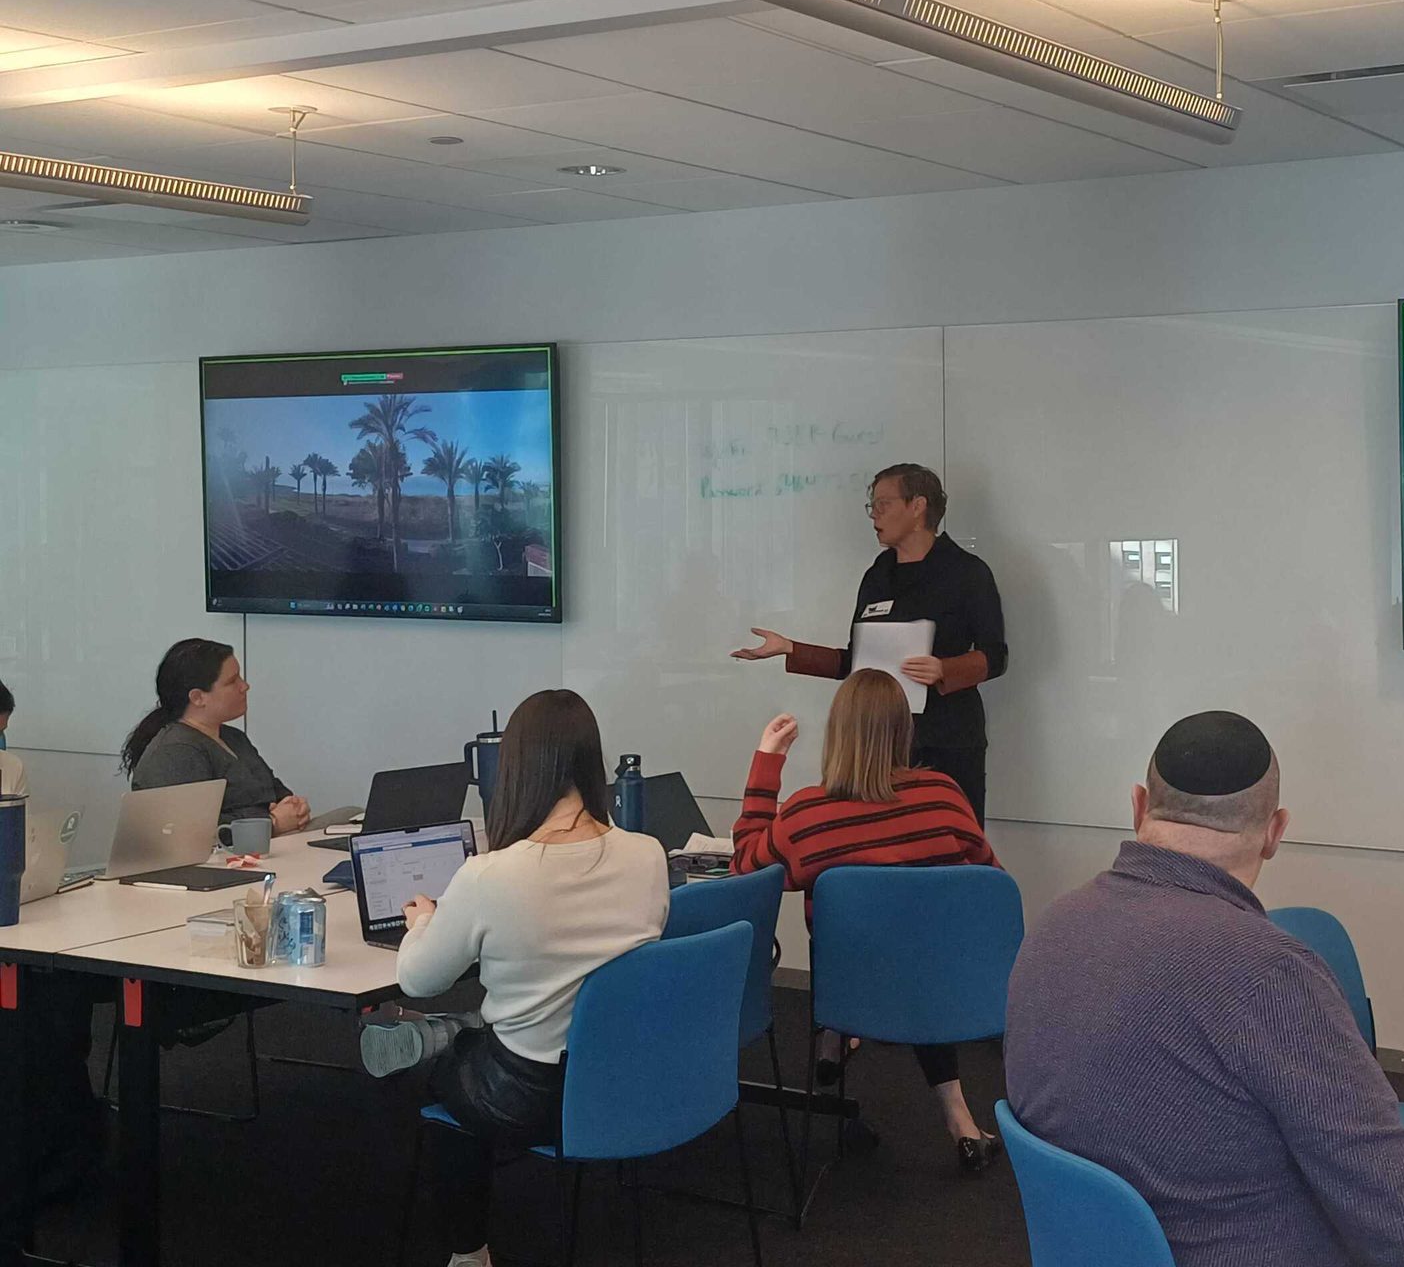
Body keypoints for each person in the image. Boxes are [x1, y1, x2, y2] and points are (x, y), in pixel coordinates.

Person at [1005, 711, 1404, 1267]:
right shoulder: (1266, 972)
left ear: (1136, 807)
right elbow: (1395, 1204)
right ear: (1275, 832)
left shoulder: (1053, 926)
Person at [361, 688, 669, 1267]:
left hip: (523, 1096)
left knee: (435, 1073)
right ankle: (452, 1033)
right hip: (620, 1077)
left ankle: (468, 1252)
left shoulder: (490, 875)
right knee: (481, 1036)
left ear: (515, 766)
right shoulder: (648, 854)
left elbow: (418, 977)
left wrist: (425, 922)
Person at [732, 669, 1002, 1173]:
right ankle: (961, 1123)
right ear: (906, 731)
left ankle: (836, 1033)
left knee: (863, 945)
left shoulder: (807, 815)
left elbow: (744, 862)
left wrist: (768, 761)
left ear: (837, 733)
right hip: (940, 986)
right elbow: (990, 881)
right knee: (911, 948)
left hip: (851, 986)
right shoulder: (942, 796)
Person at [732, 463, 1006, 825]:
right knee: (876, 843)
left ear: (917, 506)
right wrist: (791, 649)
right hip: (877, 741)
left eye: (883, 504)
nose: (874, 515)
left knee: (950, 845)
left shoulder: (968, 572)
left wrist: (945, 669)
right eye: (871, 506)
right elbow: (858, 662)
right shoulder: (878, 574)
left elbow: (996, 656)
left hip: (947, 739)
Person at [120, 639, 310, 834]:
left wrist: (295, 808)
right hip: (225, 860)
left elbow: (276, 793)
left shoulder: (234, 738)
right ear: (198, 697)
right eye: (232, 681)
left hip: (271, 848)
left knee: (342, 817)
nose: (245, 686)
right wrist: (272, 822)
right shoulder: (175, 752)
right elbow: (193, 830)